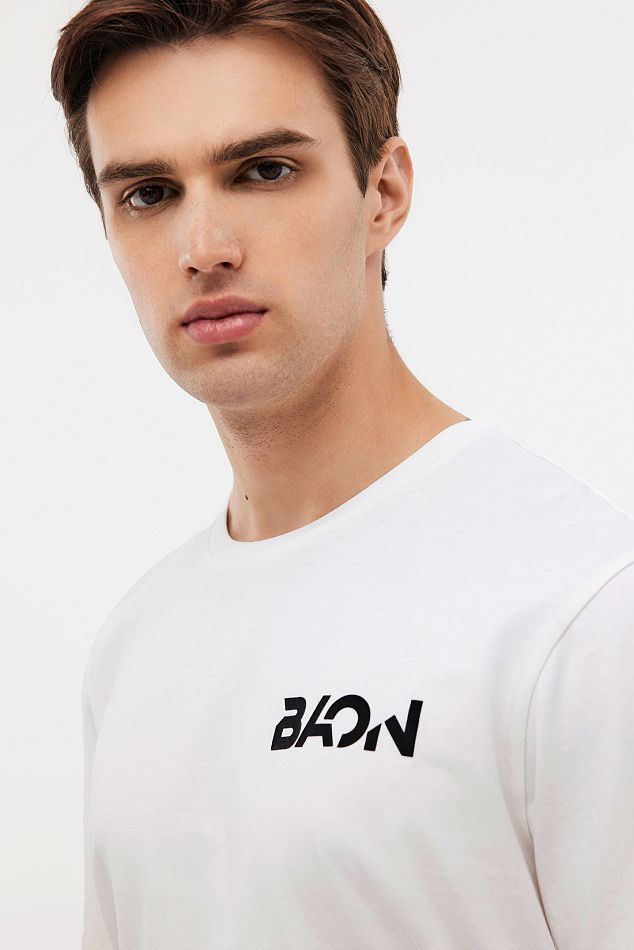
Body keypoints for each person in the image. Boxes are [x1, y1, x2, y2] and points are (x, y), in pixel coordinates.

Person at [50, 2, 634, 948]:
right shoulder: (135, 644)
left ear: (384, 193)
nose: (204, 248)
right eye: (149, 193)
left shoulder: (582, 608)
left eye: (264, 171)